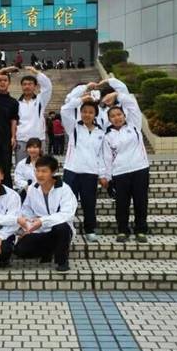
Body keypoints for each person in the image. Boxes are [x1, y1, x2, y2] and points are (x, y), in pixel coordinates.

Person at [101, 88, 150, 243]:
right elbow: (107, 158)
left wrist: (116, 95)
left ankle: (141, 230)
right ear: (109, 119)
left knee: (140, 201)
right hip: (120, 173)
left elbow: (132, 104)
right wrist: (106, 177)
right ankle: (123, 230)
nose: (117, 118)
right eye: (113, 116)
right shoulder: (107, 136)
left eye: (119, 114)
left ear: (124, 115)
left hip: (140, 169)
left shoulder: (134, 126)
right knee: (122, 203)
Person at [60, 82, 107, 242]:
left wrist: (102, 174)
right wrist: (83, 95)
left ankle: (90, 229)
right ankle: (67, 228)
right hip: (72, 171)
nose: (87, 115)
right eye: (84, 112)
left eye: (90, 112)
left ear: (95, 115)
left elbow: (101, 156)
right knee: (68, 202)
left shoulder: (101, 132)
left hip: (90, 173)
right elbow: (64, 109)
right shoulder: (73, 127)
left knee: (89, 203)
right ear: (80, 113)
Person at [15, 155, 78, 272]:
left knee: (62, 227)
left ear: (53, 172)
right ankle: (48, 251)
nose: (39, 175)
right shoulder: (33, 188)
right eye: (37, 171)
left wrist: (42, 221)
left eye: (44, 171)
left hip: (59, 231)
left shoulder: (64, 189)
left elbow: (67, 214)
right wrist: (28, 228)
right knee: (20, 250)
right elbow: (26, 210)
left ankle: (62, 261)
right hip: (39, 230)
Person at [15, 66, 53, 163]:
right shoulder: (16, 103)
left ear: (35, 86)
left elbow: (48, 86)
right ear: (21, 86)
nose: (27, 86)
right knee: (21, 166)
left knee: (40, 167)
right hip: (21, 140)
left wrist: (36, 72)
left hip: (38, 139)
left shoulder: (40, 100)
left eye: (30, 84)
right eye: (24, 84)